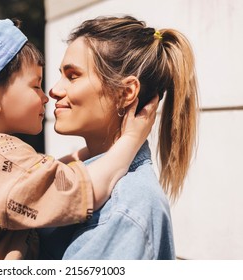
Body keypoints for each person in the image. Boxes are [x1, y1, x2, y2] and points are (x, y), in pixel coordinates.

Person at [0, 16, 157, 260]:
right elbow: (81, 191)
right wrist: (132, 138)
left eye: (73, 76)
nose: (49, 94)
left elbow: (43, 172)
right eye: (36, 85)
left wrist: (90, 154)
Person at [38, 15, 198, 260]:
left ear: (126, 93)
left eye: (73, 76)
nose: (55, 90)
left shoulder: (126, 207)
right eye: (61, 74)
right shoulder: (76, 171)